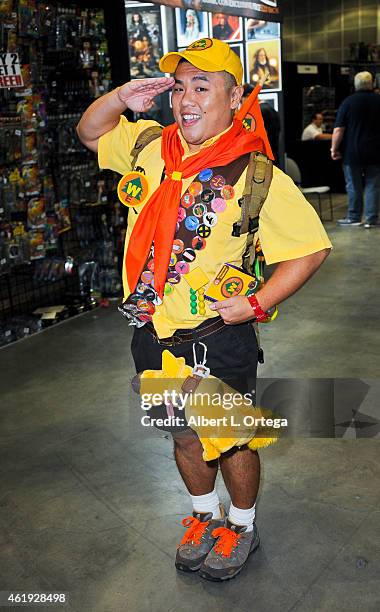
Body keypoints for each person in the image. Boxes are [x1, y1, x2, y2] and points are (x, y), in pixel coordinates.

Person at [77, 38, 331, 582]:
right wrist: (123, 94)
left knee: (229, 438)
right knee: (182, 433)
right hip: (151, 328)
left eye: (202, 85)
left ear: (233, 95)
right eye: (179, 86)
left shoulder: (257, 177)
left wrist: (257, 303)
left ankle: (241, 523)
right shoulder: (152, 146)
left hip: (215, 336)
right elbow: (90, 131)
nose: (186, 98)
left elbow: (311, 249)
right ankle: (202, 517)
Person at [331, 71, 380, 228]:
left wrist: (334, 148)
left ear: (355, 84)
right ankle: (371, 219)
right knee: (373, 185)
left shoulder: (348, 102)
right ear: (372, 83)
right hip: (376, 152)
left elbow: (339, 129)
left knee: (353, 185)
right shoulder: (378, 100)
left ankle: (354, 217)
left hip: (352, 152)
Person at [243, 83, 281, 162]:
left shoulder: (258, 112)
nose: (241, 104)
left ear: (249, 96)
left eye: (240, 100)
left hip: (263, 159)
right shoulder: (270, 109)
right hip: (273, 156)